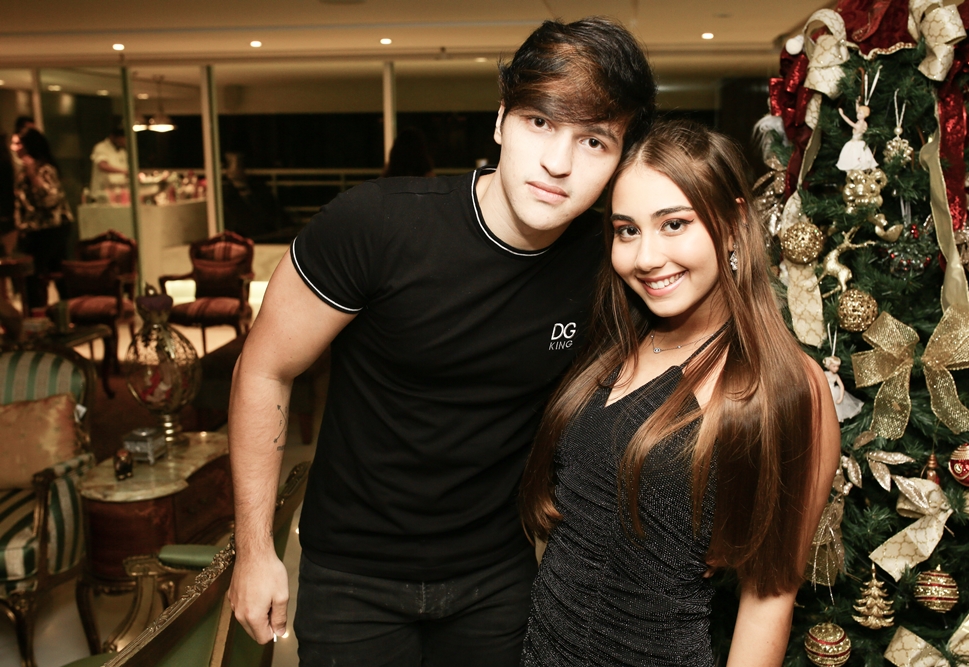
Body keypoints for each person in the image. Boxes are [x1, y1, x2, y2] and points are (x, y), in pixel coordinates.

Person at [226, 16, 656, 667]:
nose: (558, 163)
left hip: (499, 574)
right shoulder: (376, 224)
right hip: (353, 576)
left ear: (620, 158)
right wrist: (255, 551)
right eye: (539, 122)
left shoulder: (607, 264)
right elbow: (263, 370)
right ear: (500, 120)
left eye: (594, 140)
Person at [519, 120, 841, 667]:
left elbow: (769, 598)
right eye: (627, 230)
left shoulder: (786, 385)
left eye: (674, 224)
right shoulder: (611, 344)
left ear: (733, 224)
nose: (646, 257)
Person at [11, 128, 72, 312]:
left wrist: (33, 176)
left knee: (43, 274)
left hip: (51, 229)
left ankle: (62, 314)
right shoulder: (22, 172)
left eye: (19, 143)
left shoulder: (45, 170)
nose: (15, 148)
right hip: (33, 230)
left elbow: (49, 200)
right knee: (37, 275)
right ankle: (42, 315)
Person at [89, 126, 129, 201]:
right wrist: (123, 172)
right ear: (113, 137)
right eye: (122, 139)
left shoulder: (122, 152)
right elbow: (102, 165)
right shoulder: (101, 147)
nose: (124, 141)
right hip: (101, 194)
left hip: (118, 194)